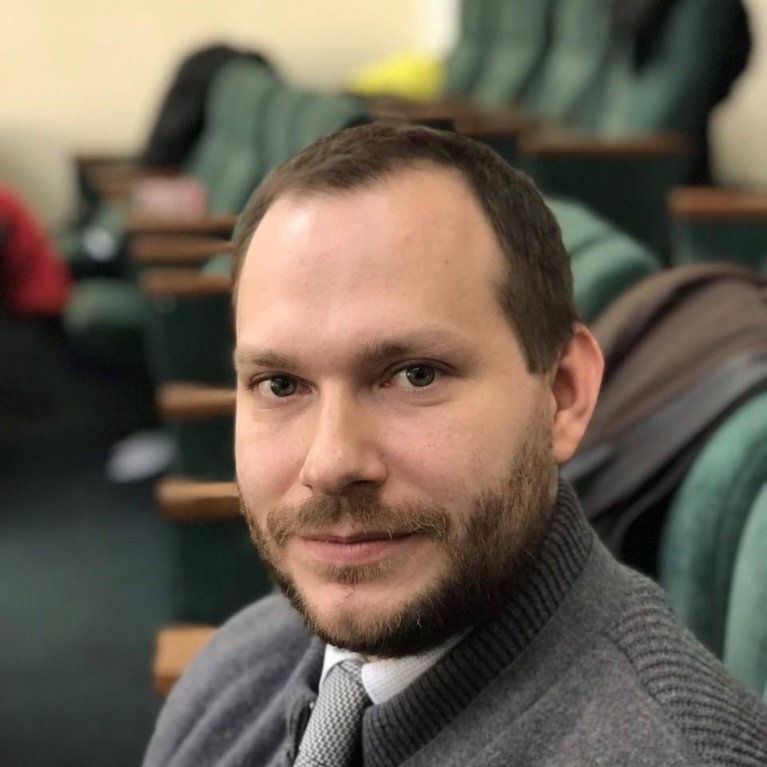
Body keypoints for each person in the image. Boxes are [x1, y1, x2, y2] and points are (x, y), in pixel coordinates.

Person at [143, 124, 767, 766]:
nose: (330, 463)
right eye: (280, 384)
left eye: (415, 375)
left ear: (564, 393)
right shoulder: (238, 670)